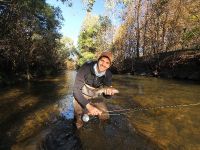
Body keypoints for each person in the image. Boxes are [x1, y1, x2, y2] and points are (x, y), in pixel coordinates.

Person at [73, 51, 117, 128]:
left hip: (96, 96)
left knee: (105, 116)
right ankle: (79, 124)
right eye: (102, 61)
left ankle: (102, 130)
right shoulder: (86, 68)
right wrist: (89, 106)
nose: (103, 64)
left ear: (109, 65)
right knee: (79, 116)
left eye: (107, 63)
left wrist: (109, 94)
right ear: (98, 60)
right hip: (81, 94)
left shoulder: (108, 74)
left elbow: (106, 96)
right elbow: (76, 90)